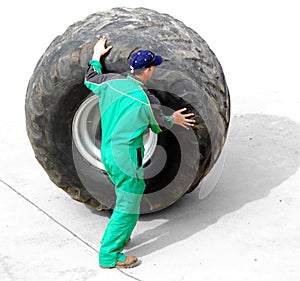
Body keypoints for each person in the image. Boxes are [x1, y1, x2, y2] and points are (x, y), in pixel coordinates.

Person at [84, 36, 195, 269]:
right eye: (154, 66)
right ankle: (109, 255)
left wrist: (96, 54)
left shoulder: (111, 81)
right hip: (126, 157)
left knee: (129, 199)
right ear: (149, 70)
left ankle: (118, 238)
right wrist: (174, 119)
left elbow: (90, 78)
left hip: (107, 151)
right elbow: (159, 123)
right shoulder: (146, 99)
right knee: (127, 205)